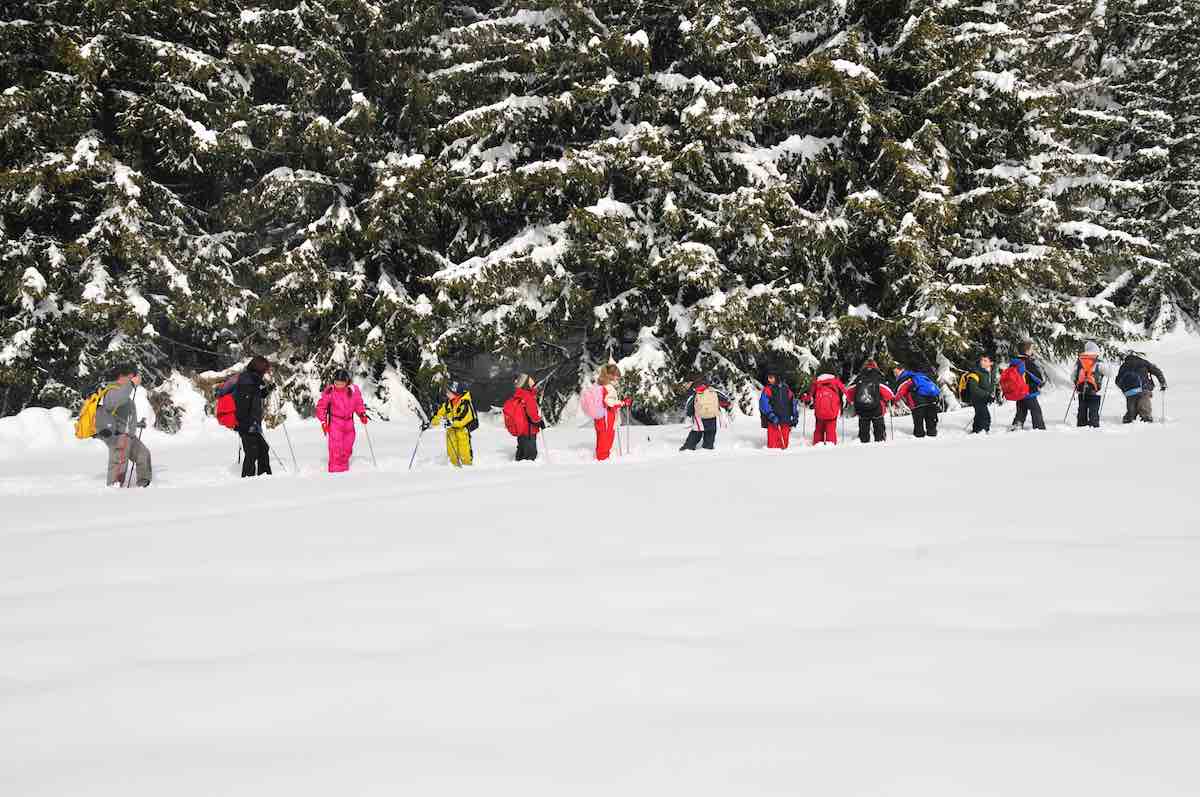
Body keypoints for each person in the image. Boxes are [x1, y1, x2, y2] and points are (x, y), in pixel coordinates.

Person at [95, 363, 152, 487]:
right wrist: (131, 385)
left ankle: (144, 485)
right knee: (119, 465)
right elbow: (113, 403)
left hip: (129, 436)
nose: (134, 379)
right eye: (131, 376)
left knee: (143, 454)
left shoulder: (123, 392)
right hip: (118, 436)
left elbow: (124, 416)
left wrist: (137, 424)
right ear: (121, 376)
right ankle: (114, 489)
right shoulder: (112, 390)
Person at [315, 369, 368, 473]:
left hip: (349, 423)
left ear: (346, 382)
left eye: (341, 383)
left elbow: (358, 403)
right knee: (336, 449)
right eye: (336, 383)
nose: (338, 385)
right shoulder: (330, 391)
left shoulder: (353, 390)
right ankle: (335, 474)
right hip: (335, 423)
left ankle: (344, 472)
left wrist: (362, 414)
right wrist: (323, 422)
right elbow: (321, 407)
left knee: (347, 448)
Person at [235, 355, 275, 477]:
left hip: (253, 424)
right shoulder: (247, 382)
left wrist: (267, 390)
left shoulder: (253, 380)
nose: (266, 373)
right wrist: (248, 423)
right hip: (247, 425)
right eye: (265, 370)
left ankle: (265, 477)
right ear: (259, 368)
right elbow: (243, 404)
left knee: (263, 449)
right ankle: (248, 480)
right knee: (252, 453)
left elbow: (255, 396)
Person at [845, 360, 896, 443]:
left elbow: (849, 392)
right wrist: (890, 400)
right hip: (877, 409)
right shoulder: (877, 376)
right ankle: (880, 444)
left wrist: (851, 401)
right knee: (879, 431)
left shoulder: (859, 377)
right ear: (875, 366)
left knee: (863, 432)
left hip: (862, 409)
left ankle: (864, 445)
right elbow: (888, 393)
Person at [429, 381, 477, 467]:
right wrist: (430, 423)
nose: (447, 393)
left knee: (464, 452)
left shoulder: (465, 403)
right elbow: (439, 415)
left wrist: (451, 422)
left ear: (456, 393)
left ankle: (468, 469)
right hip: (451, 433)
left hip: (462, 433)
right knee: (452, 454)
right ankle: (453, 469)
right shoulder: (448, 404)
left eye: (449, 392)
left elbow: (463, 419)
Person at [680, 375, 732, 451]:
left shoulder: (695, 392)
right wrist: (726, 405)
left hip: (699, 418)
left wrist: (689, 413)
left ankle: (688, 447)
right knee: (710, 433)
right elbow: (725, 400)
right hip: (712, 417)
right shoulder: (713, 390)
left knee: (696, 433)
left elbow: (690, 404)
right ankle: (708, 447)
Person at [1116, 352, 1167, 423]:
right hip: (1144, 388)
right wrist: (1163, 383)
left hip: (1129, 391)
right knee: (1144, 408)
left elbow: (1117, 381)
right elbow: (1157, 371)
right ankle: (1146, 420)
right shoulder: (1143, 362)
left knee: (1131, 410)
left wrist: (1123, 388)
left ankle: (1129, 419)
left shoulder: (1124, 366)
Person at [893, 365, 942, 438]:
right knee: (931, 421)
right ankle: (932, 434)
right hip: (931, 400)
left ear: (902, 370)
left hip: (918, 402)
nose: (895, 374)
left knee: (918, 423)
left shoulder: (906, 378)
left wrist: (892, 400)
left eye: (895, 371)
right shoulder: (920, 375)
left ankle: (919, 436)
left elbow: (900, 391)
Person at [593, 364, 629, 461]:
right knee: (606, 440)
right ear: (611, 376)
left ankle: (602, 458)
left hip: (600, 417)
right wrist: (623, 403)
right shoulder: (607, 387)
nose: (618, 379)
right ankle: (603, 461)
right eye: (617, 376)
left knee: (602, 439)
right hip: (606, 418)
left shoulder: (599, 385)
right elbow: (609, 402)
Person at [801, 369, 846, 445]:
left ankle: (817, 445)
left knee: (819, 430)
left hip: (819, 412)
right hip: (832, 412)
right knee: (831, 431)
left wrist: (805, 399)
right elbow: (845, 393)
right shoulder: (836, 381)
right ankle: (830, 447)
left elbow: (809, 397)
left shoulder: (817, 382)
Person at [1008, 341, 1046, 430]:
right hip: (1028, 391)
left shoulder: (1014, 362)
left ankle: (1016, 425)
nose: (1032, 351)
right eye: (1031, 349)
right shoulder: (1027, 362)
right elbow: (1036, 377)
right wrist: (1040, 383)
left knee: (1021, 410)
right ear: (1027, 351)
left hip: (1018, 391)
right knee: (1036, 410)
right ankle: (1039, 429)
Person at [509, 373, 545, 461]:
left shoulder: (519, 394)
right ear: (525, 384)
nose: (533, 384)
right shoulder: (528, 397)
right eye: (530, 382)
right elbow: (532, 415)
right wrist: (540, 421)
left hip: (521, 431)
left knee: (521, 452)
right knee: (530, 457)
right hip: (529, 431)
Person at [1072, 341, 1109, 428]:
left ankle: (1081, 426)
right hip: (1094, 391)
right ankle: (1094, 427)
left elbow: (1073, 376)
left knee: (1082, 410)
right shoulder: (1098, 361)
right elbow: (1109, 373)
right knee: (1093, 412)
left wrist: (1076, 383)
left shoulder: (1079, 361)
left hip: (1081, 391)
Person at [758, 370, 798, 449]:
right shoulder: (767, 389)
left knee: (784, 444)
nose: (769, 380)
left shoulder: (786, 389)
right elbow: (763, 404)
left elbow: (792, 402)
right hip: (773, 421)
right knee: (773, 446)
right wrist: (771, 415)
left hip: (786, 420)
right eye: (768, 378)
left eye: (771, 378)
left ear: (777, 377)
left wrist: (795, 415)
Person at [962, 354, 996, 434]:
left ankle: (976, 430)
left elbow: (991, 385)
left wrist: (991, 395)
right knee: (985, 416)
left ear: (991, 363)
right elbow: (973, 388)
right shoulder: (975, 372)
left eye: (985, 360)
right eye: (981, 360)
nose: (982, 362)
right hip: (976, 398)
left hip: (984, 398)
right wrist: (987, 395)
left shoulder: (990, 372)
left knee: (979, 415)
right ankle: (983, 431)